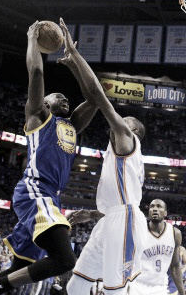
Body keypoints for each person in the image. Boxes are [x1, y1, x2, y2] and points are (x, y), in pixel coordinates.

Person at [0, 19, 99, 295]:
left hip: (50, 196)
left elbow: (95, 97)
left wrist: (75, 59)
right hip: (34, 190)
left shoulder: (72, 125)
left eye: (65, 96)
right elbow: (37, 74)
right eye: (56, 95)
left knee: (20, 268)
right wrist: (32, 39)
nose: (63, 96)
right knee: (64, 260)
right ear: (44, 102)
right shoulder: (38, 116)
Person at [59, 17, 147, 295]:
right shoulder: (121, 150)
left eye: (126, 119)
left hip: (124, 222)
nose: (120, 120)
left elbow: (98, 93)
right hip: (110, 218)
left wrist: (75, 57)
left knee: (114, 290)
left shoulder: (126, 138)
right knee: (76, 286)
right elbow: (119, 198)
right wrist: (93, 213)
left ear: (132, 130)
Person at [130, 199, 185, 295]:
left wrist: (182, 292)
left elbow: (175, 266)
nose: (155, 209)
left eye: (159, 206)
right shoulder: (138, 231)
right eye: (152, 206)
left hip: (160, 287)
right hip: (137, 285)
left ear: (165, 213)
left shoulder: (175, 233)